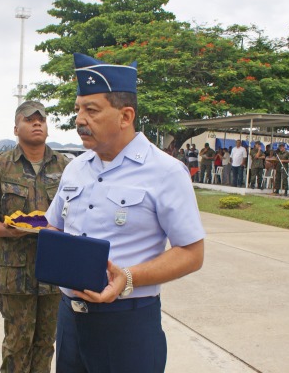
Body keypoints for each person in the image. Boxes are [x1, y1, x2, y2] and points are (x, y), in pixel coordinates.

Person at [45, 53, 205, 373]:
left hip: (127, 323)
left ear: (125, 115)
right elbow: (53, 226)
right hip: (69, 320)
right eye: (78, 109)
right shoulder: (75, 168)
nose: (79, 119)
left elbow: (191, 253)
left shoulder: (166, 172)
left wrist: (127, 277)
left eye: (91, 110)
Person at [0, 101, 69, 373]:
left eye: (41, 119)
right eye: (29, 119)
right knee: (17, 344)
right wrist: (8, 230)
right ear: (16, 128)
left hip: (54, 274)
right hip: (14, 275)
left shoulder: (66, 167)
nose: (37, 123)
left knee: (45, 344)